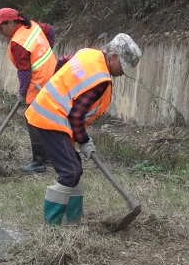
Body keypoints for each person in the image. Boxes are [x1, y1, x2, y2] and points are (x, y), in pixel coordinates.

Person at [24, 33, 142, 225]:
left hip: (53, 115)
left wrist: (59, 86)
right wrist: (85, 140)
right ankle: (51, 229)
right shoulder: (101, 79)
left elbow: (63, 61)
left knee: (74, 169)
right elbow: (76, 116)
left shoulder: (88, 54)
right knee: (70, 171)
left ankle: (74, 221)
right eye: (122, 67)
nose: (122, 73)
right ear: (113, 57)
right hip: (51, 118)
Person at [0, 8, 58, 172]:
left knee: (32, 120)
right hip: (53, 76)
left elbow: (24, 71)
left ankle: (39, 162)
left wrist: (22, 93)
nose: (0, 31)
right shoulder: (33, 26)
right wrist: (47, 52)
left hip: (38, 82)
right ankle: (50, 157)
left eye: (1, 27)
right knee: (47, 120)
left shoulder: (18, 43)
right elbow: (51, 30)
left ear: (12, 22)